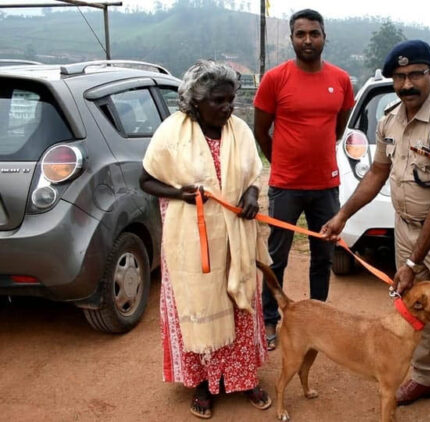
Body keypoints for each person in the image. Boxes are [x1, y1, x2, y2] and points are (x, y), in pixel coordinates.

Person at [321, 40, 430, 422]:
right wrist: (343, 215)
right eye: (400, 76)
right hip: (406, 226)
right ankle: (423, 377)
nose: (407, 83)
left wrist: (411, 260)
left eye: (415, 75)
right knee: (412, 311)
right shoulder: (389, 118)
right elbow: (377, 172)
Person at [140, 60, 272, 419]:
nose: (227, 107)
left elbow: (254, 175)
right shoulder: (172, 132)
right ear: (196, 101)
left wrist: (251, 195)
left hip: (234, 240)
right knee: (198, 307)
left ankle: (244, 377)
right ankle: (203, 383)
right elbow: (146, 180)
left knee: (239, 304)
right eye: (218, 100)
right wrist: (179, 193)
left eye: (231, 99)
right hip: (191, 243)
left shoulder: (240, 130)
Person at [253, 8, 355, 351]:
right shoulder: (275, 79)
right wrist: (280, 161)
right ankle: (270, 318)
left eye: (314, 33)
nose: (308, 40)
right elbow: (260, 130)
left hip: (326, 187)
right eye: (301, 34)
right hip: (285, 186)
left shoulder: (340, 80)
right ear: (292, 38)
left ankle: (319, 320)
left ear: (325, 36)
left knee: (323, 257)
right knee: (276, 257)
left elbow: (338, 128)